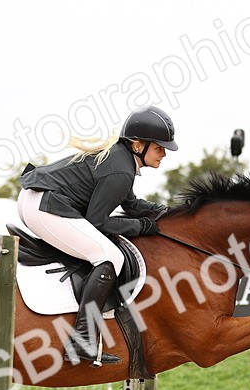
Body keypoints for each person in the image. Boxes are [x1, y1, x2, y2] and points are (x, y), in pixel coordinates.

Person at [17, 106, 175, 365]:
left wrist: (164, 212)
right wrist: (140, 228)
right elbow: (97, 221)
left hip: (38, 199)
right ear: (138, 145)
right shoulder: (121, 170)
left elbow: (131, 205)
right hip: (43, 205)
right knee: (110, 256)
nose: (164, 153)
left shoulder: (122, 161)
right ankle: (82, 339)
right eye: (159, 147)